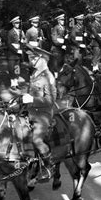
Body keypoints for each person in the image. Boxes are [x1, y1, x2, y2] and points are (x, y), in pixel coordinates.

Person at [21, 46, 58, 186]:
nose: (30, 60)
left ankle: (49, 167)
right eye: (30, 58)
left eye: (33, 58)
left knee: (37, 140)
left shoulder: (48, 77)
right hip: (30, 111)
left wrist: (31, 100)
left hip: (43, 115)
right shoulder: (35, 74)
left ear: (42, 60)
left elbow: (50, 101)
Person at [6, 16, 25, 89]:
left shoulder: (21, 31)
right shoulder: (10, 32)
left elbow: (24, 40)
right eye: (16, 23)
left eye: (18, 23)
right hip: (12, 54)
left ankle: (16, 83)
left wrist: (23, 42)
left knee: (17, 68)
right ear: (13, 24)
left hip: (19, 54)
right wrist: (16, 50)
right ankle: (12, 84)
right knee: (11, 69)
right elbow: (9, 44)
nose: (18, 24)